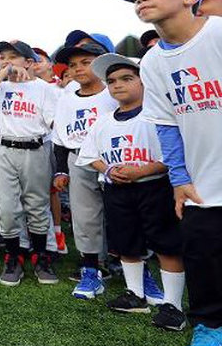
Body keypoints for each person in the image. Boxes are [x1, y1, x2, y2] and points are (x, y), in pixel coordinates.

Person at [112, 0, 222, 346]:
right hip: (202, 180)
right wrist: (178, 177)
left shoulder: (218, 33)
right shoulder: (154, 61)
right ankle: (210, 329)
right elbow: (166, 124)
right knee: (203, 255)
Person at [76, 53, 185, 331]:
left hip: (154, 187)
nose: (117, 85)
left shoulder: (157, 115)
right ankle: (135, 294)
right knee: (126, 242)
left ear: (143, 80)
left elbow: (170, 155)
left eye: (127, 78)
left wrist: (142, 171)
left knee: (166, 243)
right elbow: (90, 155)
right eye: (111, 81)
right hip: (118, 189)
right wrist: (109, 170)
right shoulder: (103, 121)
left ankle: (172, 305)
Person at [0, 40, 59, 286]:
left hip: (34, 148)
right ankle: (13, 257)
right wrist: (5, 71)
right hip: (3, 148)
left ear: (29, 62)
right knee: (6, 208)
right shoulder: (0, 86)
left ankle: (40, 256)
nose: (5, 60)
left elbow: (52, 122)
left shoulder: (44, 88)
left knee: (36, 205)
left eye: (13, 56)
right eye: (2, 56)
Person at [50, 42, 117, 298]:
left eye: (85, 62)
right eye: (72, 65)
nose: (78, 69)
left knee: (121, 215)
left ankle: (131, 266)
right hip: (79, 159)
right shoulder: (67, 99)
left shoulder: (113, 92)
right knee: (85, 217)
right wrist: (60, 170)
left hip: (114, 158)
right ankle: (91, 269)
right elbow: (60, 139)